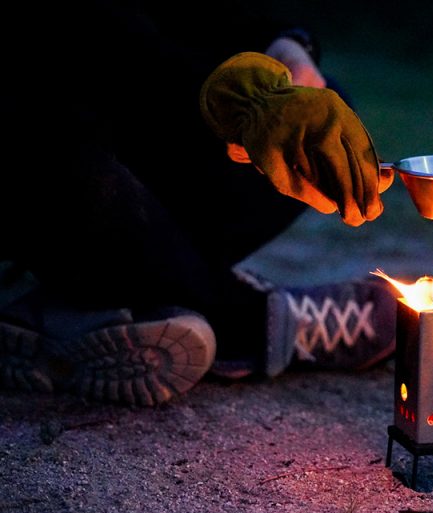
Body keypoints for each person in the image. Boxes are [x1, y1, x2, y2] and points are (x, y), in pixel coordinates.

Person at [0, 1, 398, 406]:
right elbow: (72, 50)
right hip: (40, 150)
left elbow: (198, 14)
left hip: (130, 130)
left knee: (317, 116)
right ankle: (253, 319)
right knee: (64, 162)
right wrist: (232, 98)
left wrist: (286, 43)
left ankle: (74, 308)